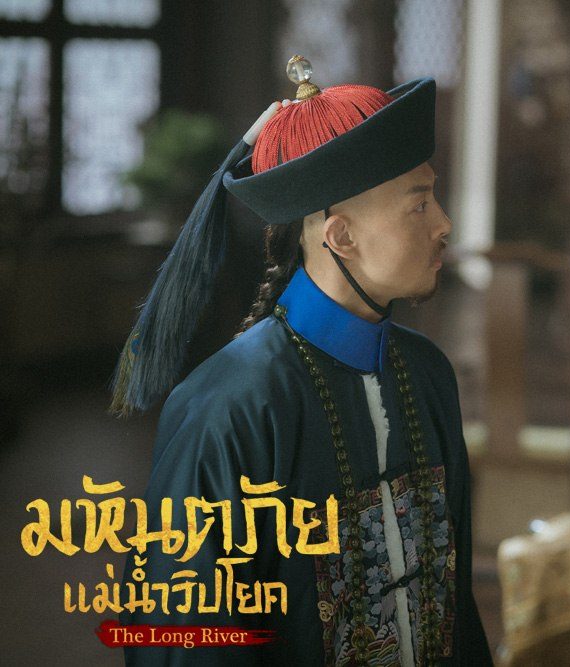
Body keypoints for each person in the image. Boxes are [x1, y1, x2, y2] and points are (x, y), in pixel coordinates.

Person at [113, 56, 491, 666]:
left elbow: (454, 603)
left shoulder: (426, 373)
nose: (445, 224)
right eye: (419, 204)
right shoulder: (229, 406)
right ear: (340, 236)